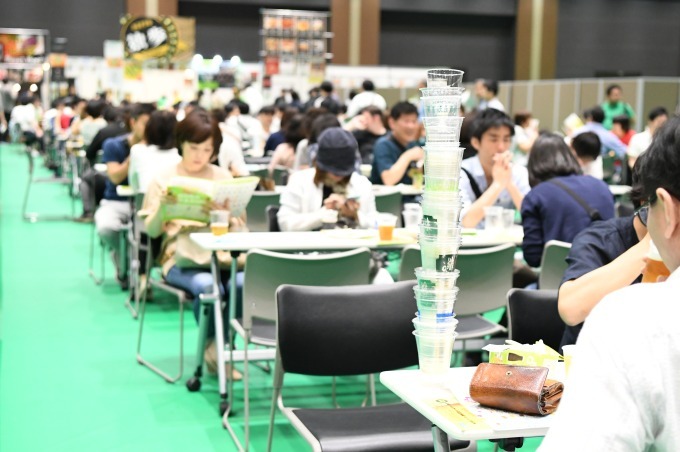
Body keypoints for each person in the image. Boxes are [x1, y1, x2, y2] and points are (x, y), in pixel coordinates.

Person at [540, 115, 680, 450]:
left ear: (669, 211)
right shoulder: (601, 239)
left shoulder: (631, 320)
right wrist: (650, 246)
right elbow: (571, 308)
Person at [142, 109, 247, 377]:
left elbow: (240, 228)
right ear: (181, 144)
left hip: (221, 256)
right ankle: (215, 351)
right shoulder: (164, 179)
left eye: (207, 149)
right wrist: (163, 210)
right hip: (180, 258)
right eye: (193, 147)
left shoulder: (222, 177)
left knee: (240, 283)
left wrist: (229, 215)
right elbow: (152, 232)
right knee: (209, 287)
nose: (199, 155)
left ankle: (216, 348)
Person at [520, 133, 615, 267]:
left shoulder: (536, 196)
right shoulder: (601, 186)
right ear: (569, 156)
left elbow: (533, 258)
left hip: (556, 283)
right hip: (604, 280)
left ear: (533, 163)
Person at [94, 103, 155, 289]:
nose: (149, 130)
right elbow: (114, 176)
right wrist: (135, 156)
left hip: (147, 205)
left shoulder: (158, 149)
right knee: (105, 227)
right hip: (116, 202)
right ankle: (124, 257)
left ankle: (137, 268)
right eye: (145, 124)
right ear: (133, 122)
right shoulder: (113, 145)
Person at [278, 127, 377, 232]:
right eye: (333, 170)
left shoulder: (362, 184)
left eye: (343, 171)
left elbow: (376, 223)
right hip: (309, 246)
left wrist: (355, 216)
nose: (338, 176)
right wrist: (324, 214)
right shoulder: (299, 181)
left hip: (353, 246)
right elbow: (285, 223)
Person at [459, 108, 530, 228]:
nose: (501, 147)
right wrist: (498, 184)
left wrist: (509, 183)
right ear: (476, 142)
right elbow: (466, 222)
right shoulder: (461, 172)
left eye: (506, 139)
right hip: (470, 244)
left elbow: (531, 216)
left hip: (506, 244)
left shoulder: (519, 172)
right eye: (493, 139)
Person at [370, 101, 424, 186]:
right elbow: (388, 180)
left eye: (414, 121)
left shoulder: (413, 144)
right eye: (406, 121)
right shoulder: (383, 145)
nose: (411, 126)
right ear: (392, 123)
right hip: (388, 198)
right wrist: (408, 156)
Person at [128, 110, 181, 194]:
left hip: (143, 203)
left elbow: (134, 186)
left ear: (149, 129)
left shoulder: (137, 150)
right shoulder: (180, 155)